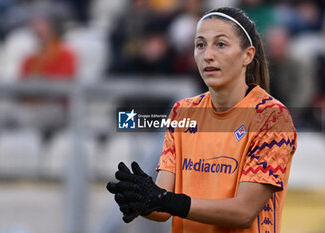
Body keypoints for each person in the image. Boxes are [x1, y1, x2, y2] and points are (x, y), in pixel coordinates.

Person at [107, 6, 297, 233]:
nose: (208, 55)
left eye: (220, 44)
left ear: (248, 55)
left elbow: (244, 211)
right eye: (200, 45)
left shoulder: (272, 117)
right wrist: (143, 200)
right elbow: (163, 209)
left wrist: (165, 200)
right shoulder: (183, 113)